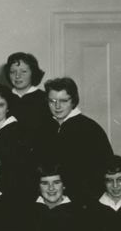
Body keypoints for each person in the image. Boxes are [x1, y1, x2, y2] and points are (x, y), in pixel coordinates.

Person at [42, 77, 114, 206]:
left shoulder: (90, 129)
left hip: (81, 202)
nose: (57, 106)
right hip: (48, 201)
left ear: (73, 101)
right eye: (52, 101)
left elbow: (103, 170)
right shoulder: (43, 128)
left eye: (63, 101)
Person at [6, 51, 53, 149]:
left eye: (23, 71)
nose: (17, 76)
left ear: (33, 73)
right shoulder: (3, 98)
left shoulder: (45, 99)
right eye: (13, 72)